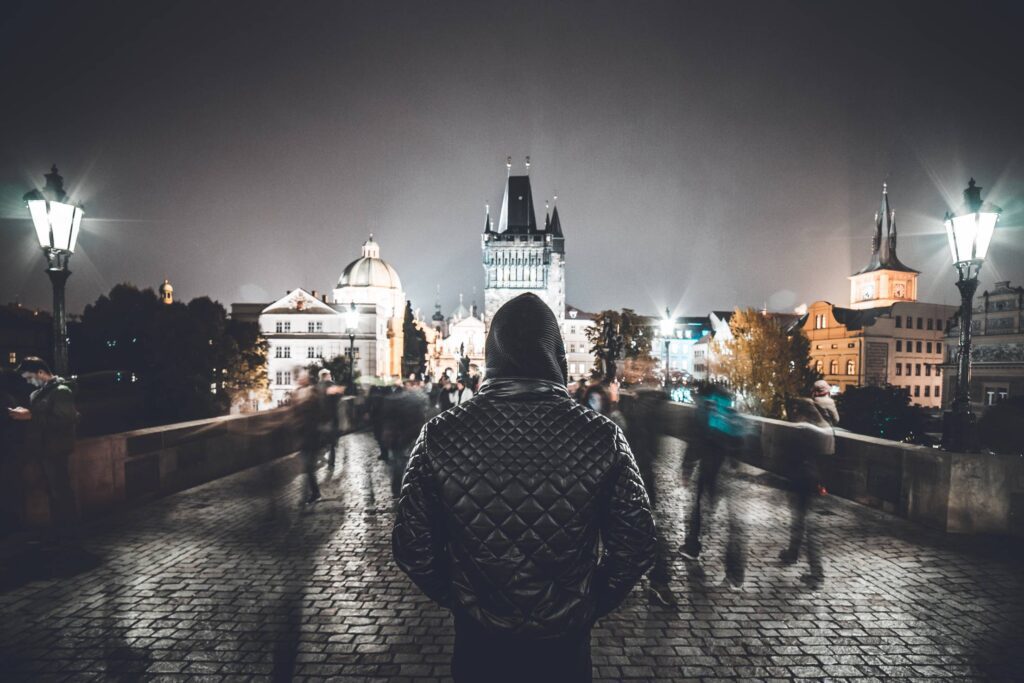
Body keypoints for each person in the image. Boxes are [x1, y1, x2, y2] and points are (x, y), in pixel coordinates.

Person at [393, 293, 656, 683]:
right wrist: (586, 603)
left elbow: (412, 546)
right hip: (563, 647)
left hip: (478, 643)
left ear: (492, 354)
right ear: (556, 355)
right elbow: (636, 545)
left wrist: (464, 600)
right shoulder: (603, 436)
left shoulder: (440, 433)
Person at [679, 384, 747, 589]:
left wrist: (687, 467)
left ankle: (693, 546)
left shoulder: (705, 412)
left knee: (699, 509)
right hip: (731, 473)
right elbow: (741, 442)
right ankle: (736, 574)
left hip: (710, 469)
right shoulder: (731, 412)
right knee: (735, 523)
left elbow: (696, 441)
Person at [9, 357, 79, 541]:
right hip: (43, 449)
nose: (28, 381)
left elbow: (65, 421)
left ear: (41, 372)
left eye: (29, 377)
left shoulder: (61, 391)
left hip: (56, 449)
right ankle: (61, 530)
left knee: (60, 491)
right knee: (53, 491)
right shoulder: (38, 393)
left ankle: (69, 531)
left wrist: (30, 416)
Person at [779, 397, 834, 588]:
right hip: (817, 482)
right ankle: (792, 553)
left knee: (809, 527)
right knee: (800, 521)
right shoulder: (825, 426)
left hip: (803, 481)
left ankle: (816, 574)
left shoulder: (805, 429)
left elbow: (791, 455)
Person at [379, 379, 429, 499]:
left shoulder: (394, 399)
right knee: (411, 462)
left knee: (398, 462)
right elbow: (421, 419)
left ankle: (396, 489)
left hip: (397, 436)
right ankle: (411, 488)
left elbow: (386, 418)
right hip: (409, 435)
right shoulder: (417, 401)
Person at [291, 369, 324, 504]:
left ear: (306, 379)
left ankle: (314, 493)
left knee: (309, 466)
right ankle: (310, 493)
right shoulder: (297, 393)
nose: (299, 380)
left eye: (301, 378)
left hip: (312, 435)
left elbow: (318, 412)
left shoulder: (313, 392)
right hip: (302, 435)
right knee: (306, 466)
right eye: (298, 378)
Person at [316, 369, 341, 472]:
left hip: (320, 418)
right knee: (331, 443)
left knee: (322, 439)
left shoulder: (317, 387)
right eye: (329, 374)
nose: (330, 376)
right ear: (326, 376)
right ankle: (331, 463)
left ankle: (320, 455)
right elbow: (338, 398)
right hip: (331, 417)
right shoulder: (332, 385)